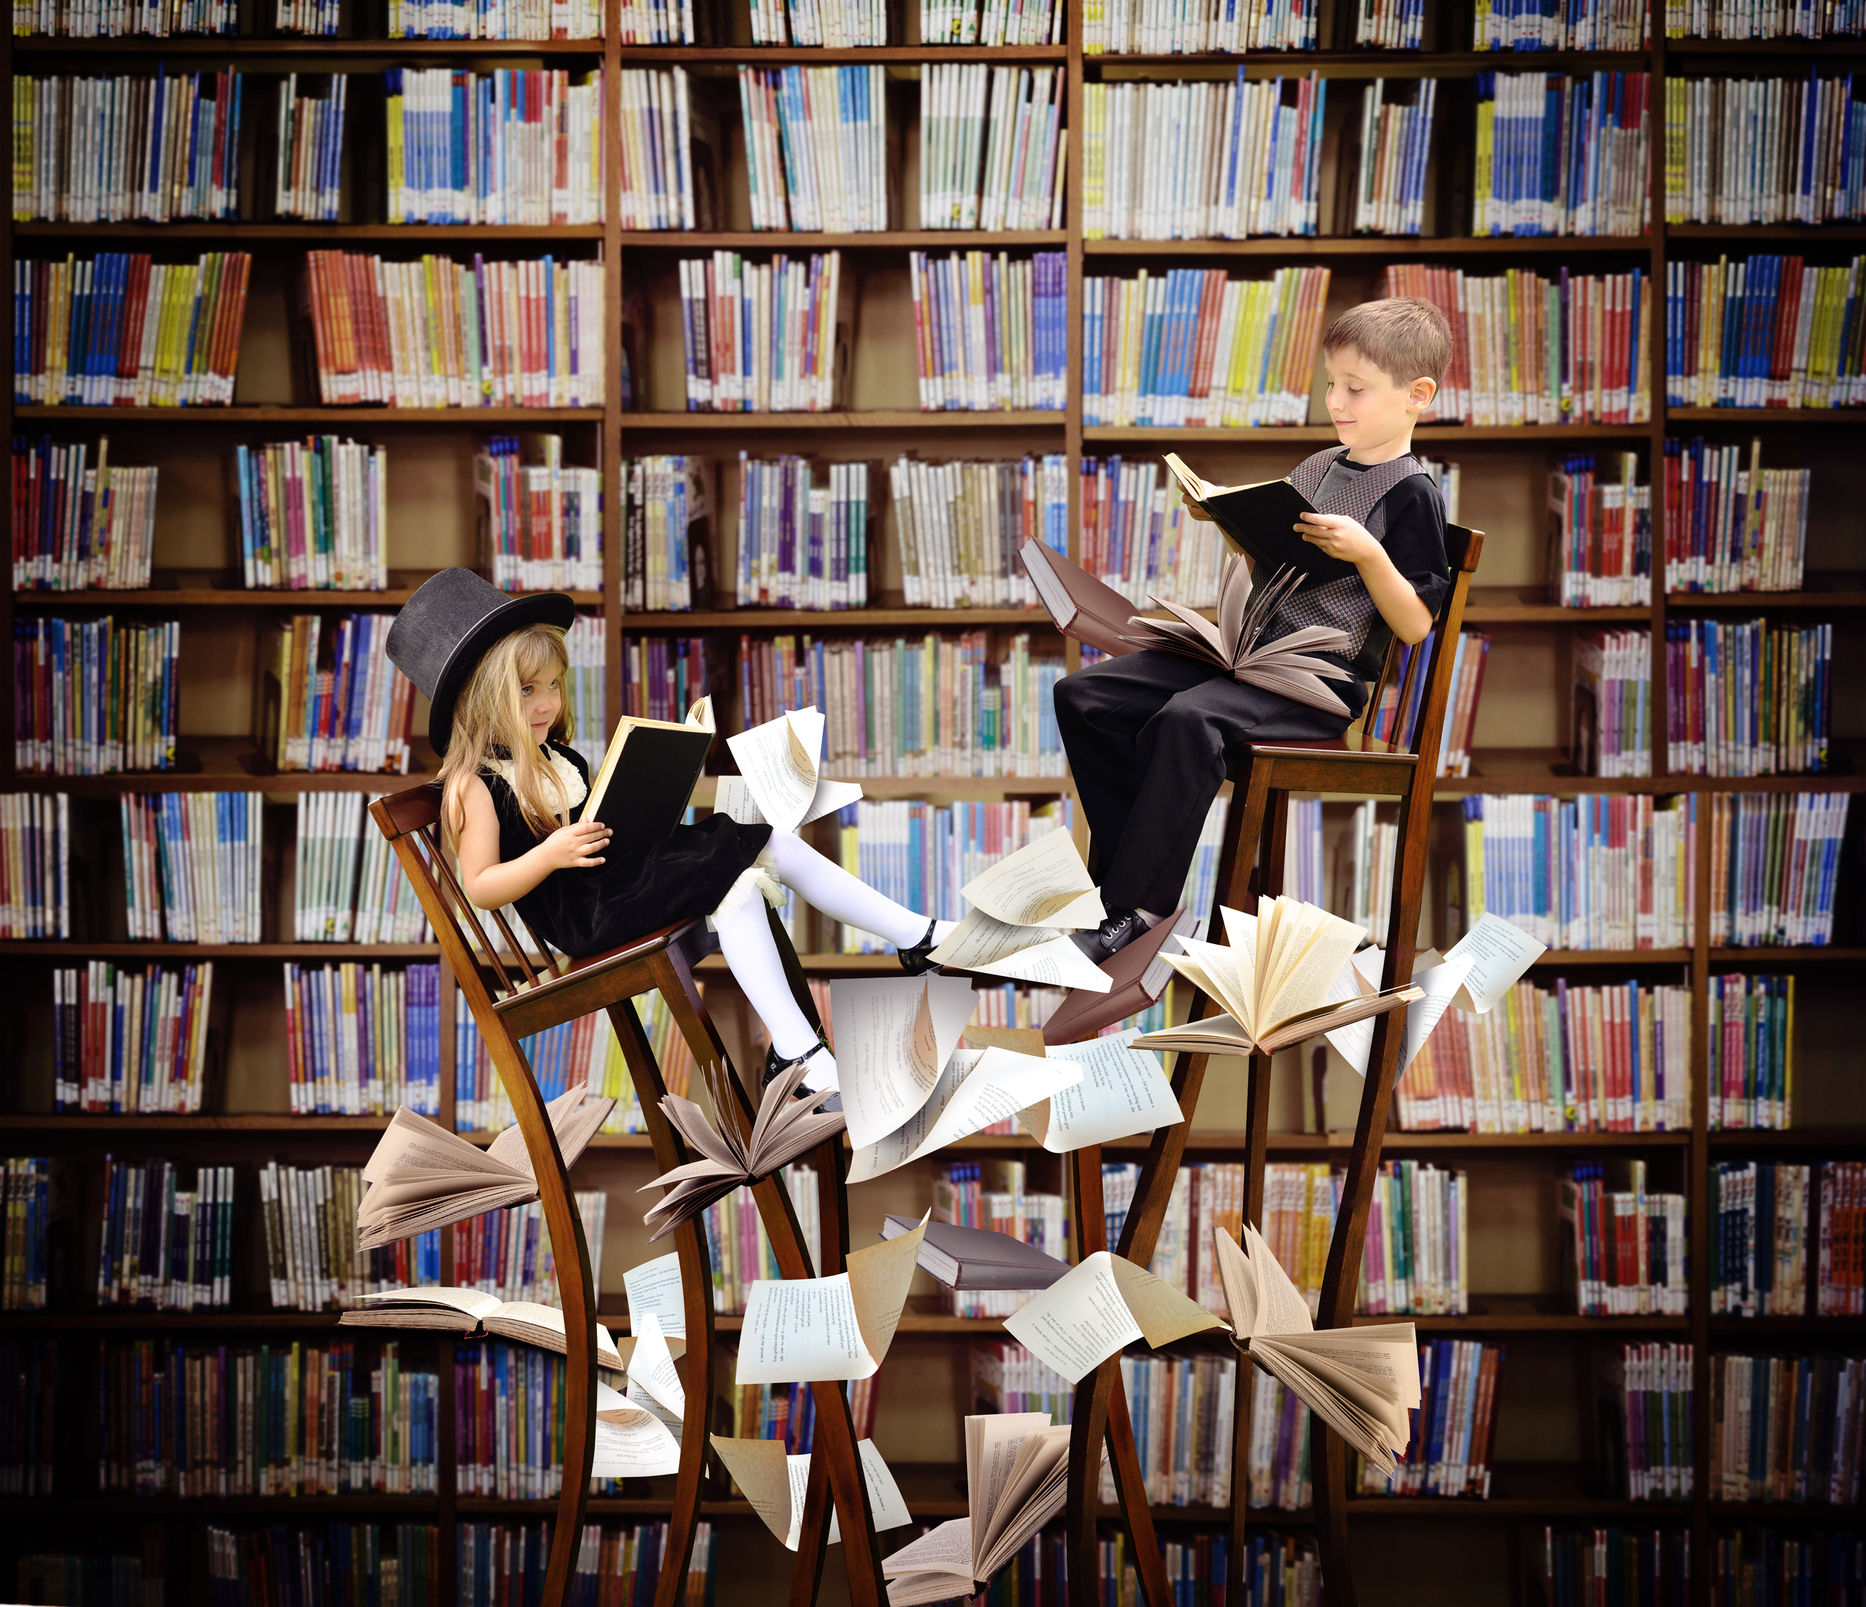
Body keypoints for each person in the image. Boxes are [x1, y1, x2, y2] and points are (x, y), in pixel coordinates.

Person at [385, 568, 953, 1094]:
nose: (547, 704)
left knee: (761, 849)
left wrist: (657, 784)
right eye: (527, 691)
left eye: (554, 686)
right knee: (732, 873)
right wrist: (550, 854)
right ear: (481, 699)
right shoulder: (475, 784)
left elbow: (607, 828)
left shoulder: (555, 757)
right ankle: (802, 1048)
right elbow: (481, 886)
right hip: (586, 911)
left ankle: (906, 944)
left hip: (620, 878)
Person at [1054, 295, 1453, 961]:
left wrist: (1368, 553)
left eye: (1355, 388)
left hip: (1315, 679)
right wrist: (1233, 518)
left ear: (1417, 396)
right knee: (1086, 698)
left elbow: (1414, 624)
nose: (1336, 400)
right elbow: (1282, 554)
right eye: (1331, 384)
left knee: (1187, 721)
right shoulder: (1321, 467)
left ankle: (1138, 910)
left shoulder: (1412, 493)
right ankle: (1118, 883)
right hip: (1249, 653)